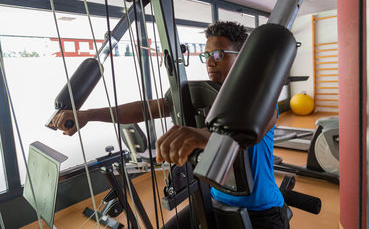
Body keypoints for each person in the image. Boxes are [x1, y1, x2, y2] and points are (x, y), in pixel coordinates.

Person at [50, 21, 289, 229]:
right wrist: (88, 114)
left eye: (219, 55)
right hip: (216, 201)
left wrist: (202, 135)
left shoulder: (261, 99)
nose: (210, 62)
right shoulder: (201, 94)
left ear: (243, 57)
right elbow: (145, 108)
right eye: (206, 55)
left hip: (262, 211)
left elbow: (249, 130)